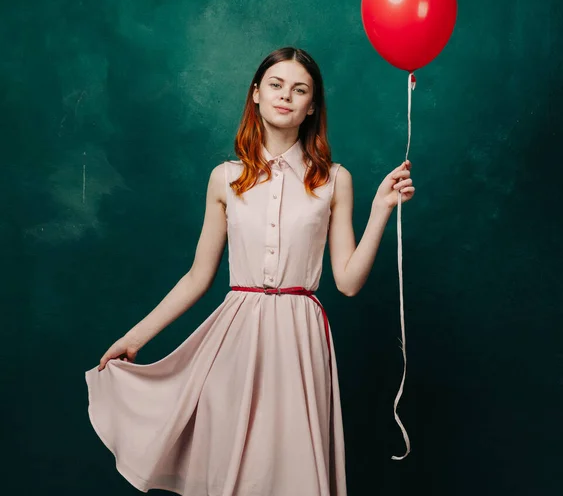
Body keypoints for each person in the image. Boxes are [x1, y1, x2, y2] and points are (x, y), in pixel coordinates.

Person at [85, 46, 415, 496]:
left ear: (312, 107)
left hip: (301, 341)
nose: (286, 96)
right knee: (237, 471)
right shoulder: (225, 177)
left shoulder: (335, 179)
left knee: (295, 471)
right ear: (255, 94)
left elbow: (348, 282)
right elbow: (197, 277)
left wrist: (380, 210)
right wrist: (134, 338)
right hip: (236, 340)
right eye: (276, 85)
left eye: (300, 90)